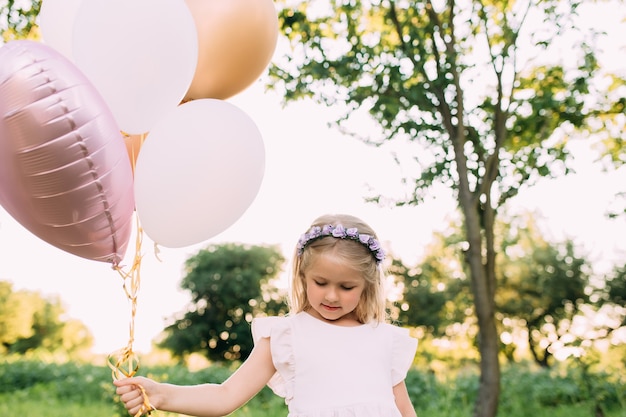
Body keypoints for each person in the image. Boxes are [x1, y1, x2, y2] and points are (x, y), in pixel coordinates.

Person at [114, 213, 419, 417]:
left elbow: (404, 410)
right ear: (302, 275)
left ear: (367, 284)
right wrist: (161, 395)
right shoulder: (287, 335)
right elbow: (225, 395)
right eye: (321, 283)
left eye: (347, 286)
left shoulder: (385, 339)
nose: (331, 295)